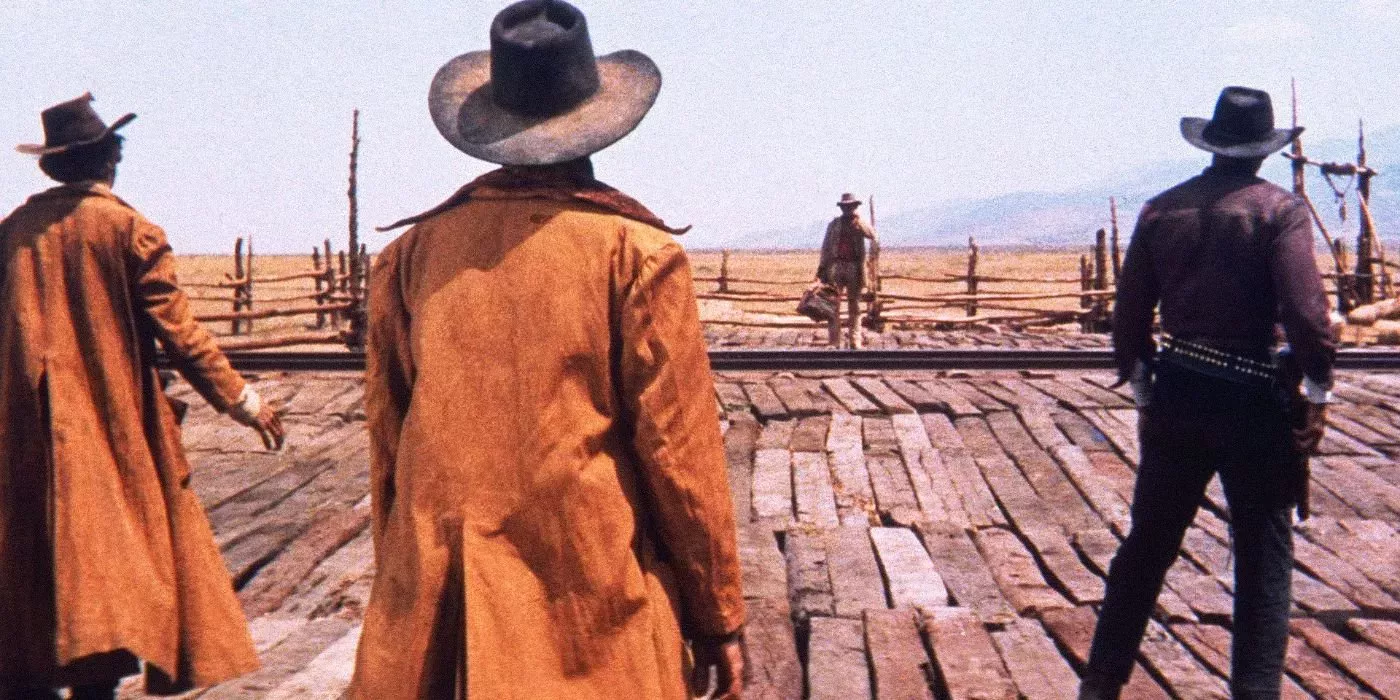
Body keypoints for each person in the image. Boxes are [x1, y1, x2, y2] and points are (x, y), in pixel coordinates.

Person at [350, 2, 746, 698]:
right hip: (589, 602)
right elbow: (679, 457)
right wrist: (717, 616)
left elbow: (390, 438)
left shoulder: (411, 255)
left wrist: (405, 591)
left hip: (443, 596)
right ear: (597, 124)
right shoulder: (637, 253)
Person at [0, 93, 285, 699]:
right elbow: (183, 336)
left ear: (53, 165)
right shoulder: (128, 230)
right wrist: (245, 403)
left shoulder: (13, 234)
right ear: (110, 160)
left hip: (22, 428)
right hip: (109, 422)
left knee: (36, 554)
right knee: (111, 553)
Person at [1079, 86, 1336, 700]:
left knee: (1147, 546)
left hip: (1179, 393)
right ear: (1264, 149)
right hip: (1255, 401)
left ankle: (1100, 684)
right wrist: (1318, 389)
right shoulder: (1280, 211)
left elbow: (1129, 321)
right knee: (1264, 555)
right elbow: (1307, 316)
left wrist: (1148, 396)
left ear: (1212, 143)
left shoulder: (1160, 211)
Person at [813, 193, 876, 348]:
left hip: (855, 268)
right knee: (833, 306)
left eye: (851, 206)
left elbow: (872, 234)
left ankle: (855, 341)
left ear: (855, 207)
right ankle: (834, 342)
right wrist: (821, 270)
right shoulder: (834, 225)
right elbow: (826, 247)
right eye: (845, 206)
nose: (848, 209)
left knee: (855, 307)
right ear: (841, 208)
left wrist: (859, 221)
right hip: (836, 268)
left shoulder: (859, 224)